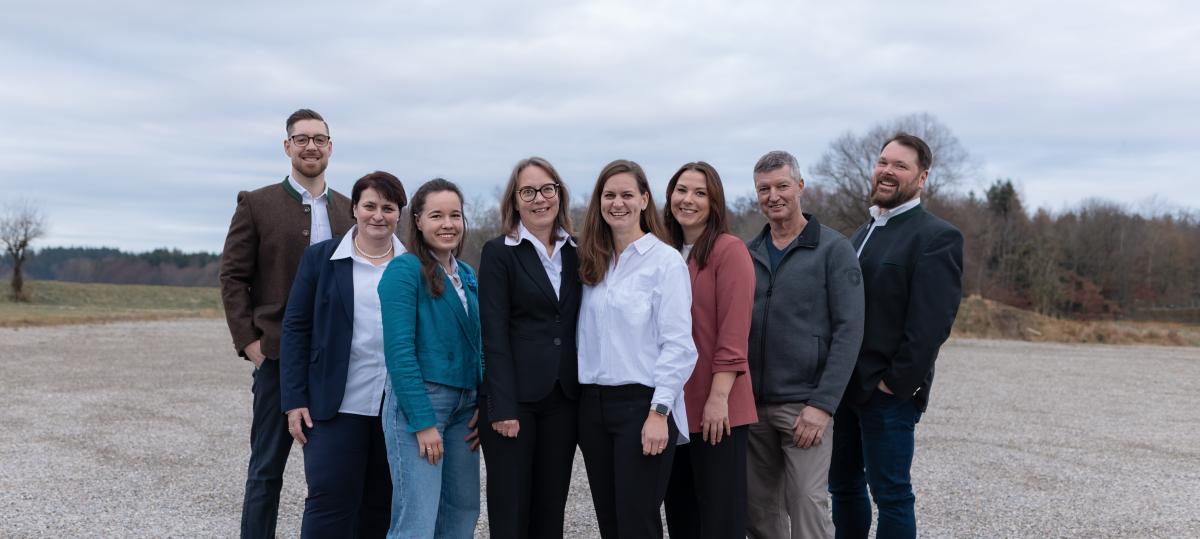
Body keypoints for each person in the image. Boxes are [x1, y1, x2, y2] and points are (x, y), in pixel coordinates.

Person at [219, 108, 354, 539]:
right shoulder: (256, 204)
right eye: (301, 139)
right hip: (277, 356)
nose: (311, 146)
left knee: (335, 474)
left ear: (330, 147)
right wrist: (249, 343)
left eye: (319, 139)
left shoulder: (351, 211)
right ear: (287, 147)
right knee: (265, 471)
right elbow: (233, 277)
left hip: (339, 359)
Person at [829, 133, 964, 539]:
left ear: (921, 178)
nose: (887, 171)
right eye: (883, 162)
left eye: (900, 165)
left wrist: (895, 384)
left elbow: (931, 324)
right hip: (842, 390)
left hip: (886, 394)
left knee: (891, 495)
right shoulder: (862, 232)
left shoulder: (935, 236)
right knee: (843, 488)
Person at [278, 171, 407, 537]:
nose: (377, 215)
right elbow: (295, 328)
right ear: (354, 208)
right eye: (369, 206)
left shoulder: (413, 266)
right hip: (334, 407)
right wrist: (294, 400)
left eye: (388, 207)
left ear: (400, 213)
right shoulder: (322, 258)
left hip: (393, 411)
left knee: (380, 506)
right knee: (329, 502)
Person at [745, 151, 865, 539]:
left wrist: (823, 405)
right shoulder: (749, 253)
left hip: (804, 408)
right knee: (760, 511)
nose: (773, 196)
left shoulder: (834, 249)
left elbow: (850, 331)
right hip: (753, 408)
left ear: (800, 187)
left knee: (807, 504)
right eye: (764, 189)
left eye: (782, 186)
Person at [575, 159, 697, 538]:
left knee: (637, 522)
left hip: (642, 406)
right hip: (592, 407)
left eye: (627, 194)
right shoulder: (590, 261)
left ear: (644, 199)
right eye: (609, 195)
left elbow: (678, 345)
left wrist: (660, 411)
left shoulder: (665, 262)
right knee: (610, 522)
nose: (618, 203)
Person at [478, 157, 581, 538]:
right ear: (515, 201)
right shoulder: (499, 253)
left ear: (559, 194)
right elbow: (494, 334)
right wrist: (501, 407)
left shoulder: (577, 251)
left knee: (550, 509)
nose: (540, 199)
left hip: (563, 398)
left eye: (547, 189)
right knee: (511, 510)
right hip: (514, 400)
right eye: (528, 191)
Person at [377, 178, 482, 539]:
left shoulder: (465, 274)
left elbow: (478, 345)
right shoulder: (403, 271)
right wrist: (422, 422)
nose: (448, 224)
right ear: (418, 220)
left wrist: (482, 399)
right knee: (417, 521)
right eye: (437, 215)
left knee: (462, 512)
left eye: (455, 215)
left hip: (464, 409)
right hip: (421, 407)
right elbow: (399, 352)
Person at [659, 161, 758, 538]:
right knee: (682, 517)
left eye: (700, 193)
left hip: (719, 408)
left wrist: (718, 399)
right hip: (674, 408)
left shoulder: (727, 250)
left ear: (714, 202)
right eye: (682, 190)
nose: (688, 199)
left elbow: (734, 334)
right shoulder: (663, 251)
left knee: (720, 520)